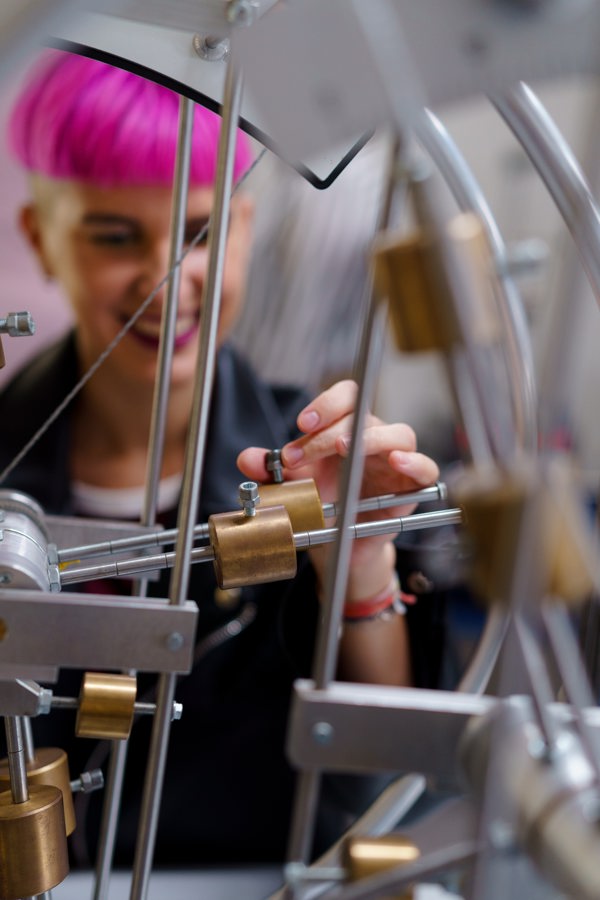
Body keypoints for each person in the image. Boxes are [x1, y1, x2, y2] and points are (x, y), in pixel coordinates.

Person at [0, 50, 445, 867]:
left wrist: (361, 561)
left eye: (202, 234)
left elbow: (387, 781)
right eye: (115, 236)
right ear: (43, 239)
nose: (171, 282)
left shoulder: (323, 464)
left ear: (244, 230)